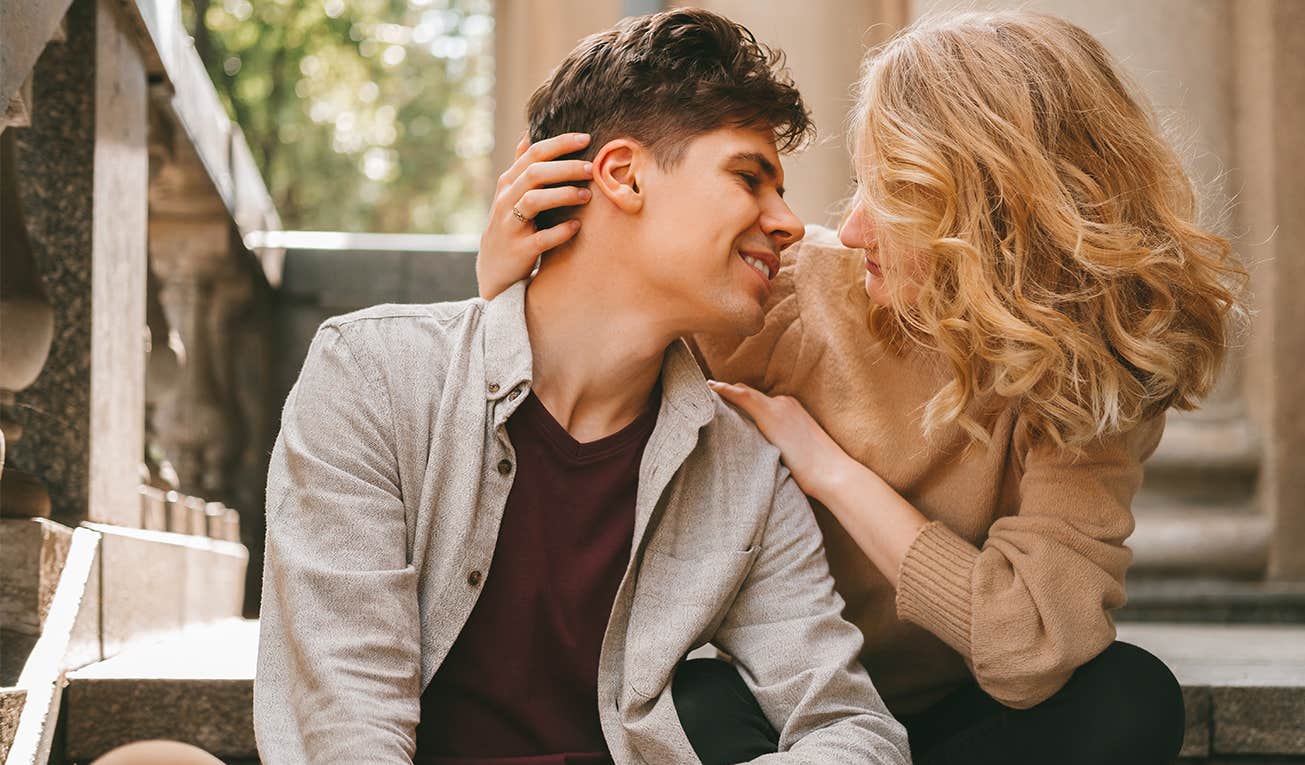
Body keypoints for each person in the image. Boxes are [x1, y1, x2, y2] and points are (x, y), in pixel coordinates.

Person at [478, 10, 1245, 765]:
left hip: (958, 711)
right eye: (859, 184)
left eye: (895, 192)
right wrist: (507, 289)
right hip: (784, 704)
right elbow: (575, 377)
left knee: (1129, 697)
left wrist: (834, 472)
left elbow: (1030, 646)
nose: (848, 228)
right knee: (679, 701)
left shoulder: (1095, 369)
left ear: (993, 212)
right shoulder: (784, 291)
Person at [254, 8, 911, 765]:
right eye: (747, 176)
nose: (790, 222)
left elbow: (854, 730)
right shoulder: (373, 378)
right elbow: (348, 726)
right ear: (623, 174)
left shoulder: (743, 474)